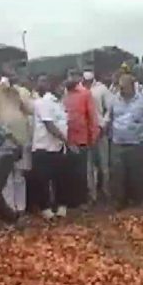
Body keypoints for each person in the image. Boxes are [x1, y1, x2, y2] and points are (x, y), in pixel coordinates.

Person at [0, 63, 34, 214]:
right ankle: (9, 208)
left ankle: (21, 207)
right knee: (6, 176)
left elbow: (30, 109)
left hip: (21, 137)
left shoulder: (20, 92)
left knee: (19, 174)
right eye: (6, 75)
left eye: (12, 75)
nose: (9, 78)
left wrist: (17, 93)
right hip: (4, 140)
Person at [108, 74, 143, 210]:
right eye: (120, 87)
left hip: (138, 143)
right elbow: (109, 117)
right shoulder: (114, 100)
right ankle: (120, 201)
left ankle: (142, 200)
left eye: (124, 87)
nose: (121, 90)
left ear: (132, 86)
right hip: (118, 143)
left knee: (139, 173)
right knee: (119, 174)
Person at [31, 75, 70, 220]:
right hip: (43, 148)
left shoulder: (60, 104)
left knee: (60, 179)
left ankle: (60, 207)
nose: (63, 89)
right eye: (60, 87)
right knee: (43, 180)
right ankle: (46, 208)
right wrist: (67, 140)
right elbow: (50, 125)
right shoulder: (42, 103)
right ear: (53, 87)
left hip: (58, 147)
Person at [62, 77, 98, 209]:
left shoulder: (85, 94)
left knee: (82, 172)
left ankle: (84, 200)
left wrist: (93, 137)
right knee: (70, 171)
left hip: (82, 139)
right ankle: (72, 200)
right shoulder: (64, 95)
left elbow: (92, 117)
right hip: (66, 139)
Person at [81, 71, 112, 205]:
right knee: (88, 166)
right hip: (84, 132)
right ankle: (91, 194)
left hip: (100, 131)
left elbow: (110, 109)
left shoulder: (101, 89)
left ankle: (106, 191)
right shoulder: (78, 89)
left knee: (104, 164)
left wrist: (104, 124)